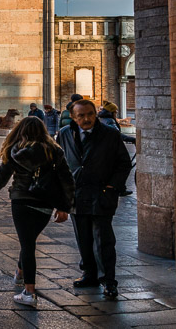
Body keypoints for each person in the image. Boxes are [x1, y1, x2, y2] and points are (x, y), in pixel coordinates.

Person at [0, 116, 75, 309]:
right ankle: (21, 272)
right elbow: (67, 180)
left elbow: (0, 178)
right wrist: (65, 207)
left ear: (20, 131)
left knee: (27, 244)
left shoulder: (16, 152)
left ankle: (29, 292)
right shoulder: (54, 151)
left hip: (21, 201)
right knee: (28, 240)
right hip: (45, 203)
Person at [58, 98, 133, 300]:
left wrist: (112, 187)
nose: (86, 119)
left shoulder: (109, 135)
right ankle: (89, 274)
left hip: (101, 195)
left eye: (90, 114)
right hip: (76, 195)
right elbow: (59, 163)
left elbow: (123, 163)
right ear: (73, 118)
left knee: (103, 241)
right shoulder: (65, 134)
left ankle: (108, 280)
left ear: (96, 114)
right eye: (81, 115)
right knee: (83, 239)